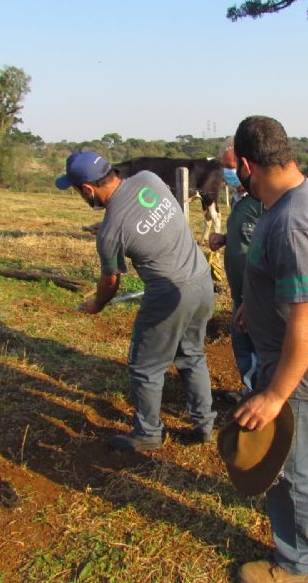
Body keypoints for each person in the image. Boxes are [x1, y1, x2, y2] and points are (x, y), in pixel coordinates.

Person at [230, 116, 308, 583]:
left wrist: (274, 395)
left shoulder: (293, 223)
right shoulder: (298, 195)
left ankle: (296, 565)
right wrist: (254, 303)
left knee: (293, 471)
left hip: (305, 368)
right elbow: (290, 286)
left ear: (246, 165)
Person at [56, 151, 216, 452]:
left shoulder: (109, 232)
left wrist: (96, 304)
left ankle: (148, 433)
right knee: (192, 354)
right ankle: (204, 424)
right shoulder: (149, 180)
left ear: (87, 189)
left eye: (78, 191)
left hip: (169, 295)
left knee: (145, 366)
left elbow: (111, 281)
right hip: (202, 279)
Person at [208, 138, 262, 403]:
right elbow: (247, 233)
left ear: (246, 164)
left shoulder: (261, 199)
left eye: (231, 166)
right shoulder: (240, 198)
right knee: (243, 340)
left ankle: (264, 395)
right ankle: (251, 390)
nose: (228, 172)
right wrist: (226, 238)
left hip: (258, 292)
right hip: (240, 289)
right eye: (225, 167)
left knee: (259, 341)